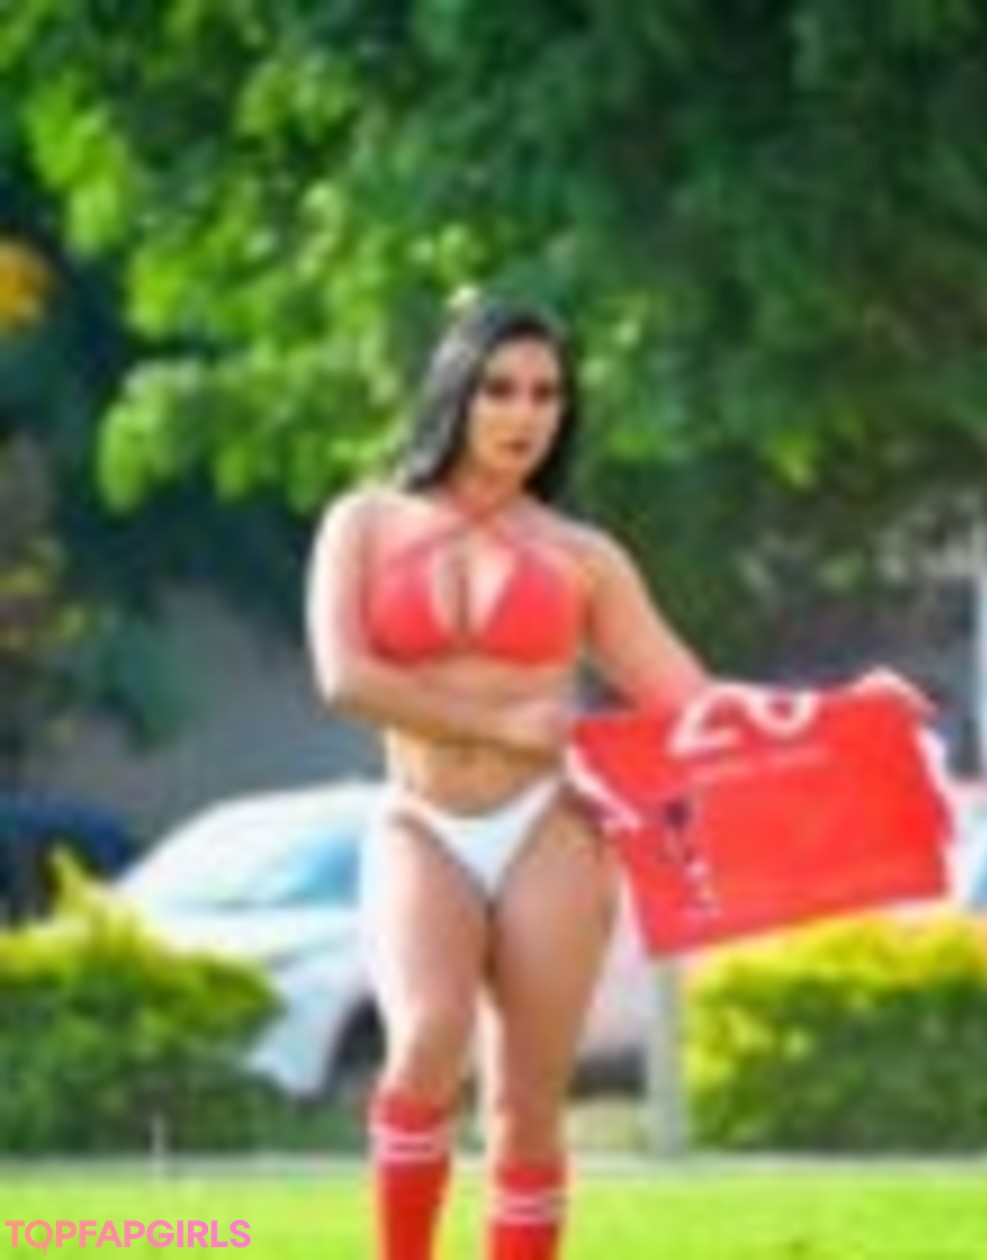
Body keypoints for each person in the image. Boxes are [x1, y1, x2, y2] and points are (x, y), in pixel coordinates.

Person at [305, 298, 714, 1260]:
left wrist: (853, 716)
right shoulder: (363, 522)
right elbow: (346, 679)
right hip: (421, 823)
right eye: (499, 389)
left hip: (549, 828)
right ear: (456, 391)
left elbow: (692, 700)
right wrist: (501, 724)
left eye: (545, 395)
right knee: (427, 1037)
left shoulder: (585, 556)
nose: (524, 414)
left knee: (527, 1110)